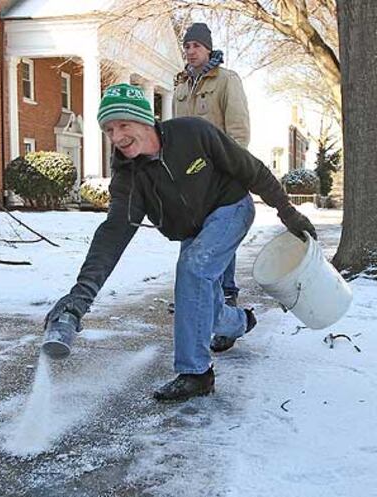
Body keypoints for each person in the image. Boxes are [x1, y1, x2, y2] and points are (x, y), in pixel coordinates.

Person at [45, 83, 316, 402]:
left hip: (230, 208)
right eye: (108, 129)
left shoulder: (194, 133)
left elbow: (251, 170)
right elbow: (112, 235)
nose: (116, 137)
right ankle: (240, 322)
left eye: (123, 125)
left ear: (145, 120)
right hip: (192, 230)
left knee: (193, 269)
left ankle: (196, 373)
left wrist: (287, 211)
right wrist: (79, 298)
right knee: (198, 298)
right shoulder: (128, 178)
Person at [174, 22, 251, 309]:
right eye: (187, 46)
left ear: (208, 48)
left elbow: (239, 131)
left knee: (219, 235)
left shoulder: (226, 80)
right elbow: (175, 132)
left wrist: (231, 168)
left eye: (196, 46)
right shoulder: (181, 85)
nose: (191, 51)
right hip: (189, 177)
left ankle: (226, 295)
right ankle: (190, 295)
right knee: (190, 232)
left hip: (219, 174)